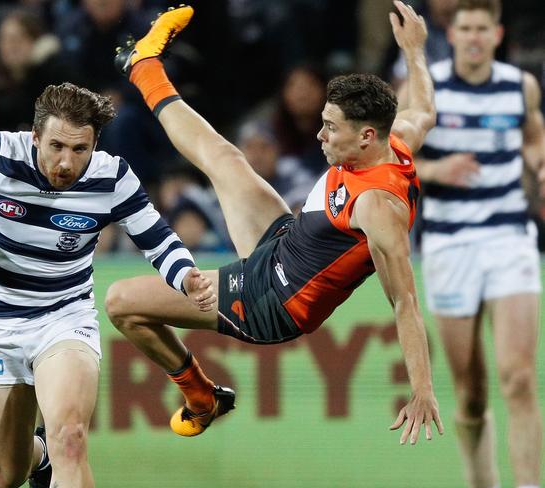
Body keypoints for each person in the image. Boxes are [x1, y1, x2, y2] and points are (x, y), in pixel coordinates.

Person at [106, 2, 443, 444]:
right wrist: (415, 50)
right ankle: (143, 66)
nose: (320, 135)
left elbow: (405, 303)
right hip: (285, 243)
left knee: (119, 302)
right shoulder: (393, 142)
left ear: (364, 137)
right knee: (224, 157)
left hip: (270, 300)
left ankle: (200, 396)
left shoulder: (378, 207)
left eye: (330, 127)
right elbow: (424, 110)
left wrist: (422, 391)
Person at [0, 82, 214, 487]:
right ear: (34, 136)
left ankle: (55, 452)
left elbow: (159, 242)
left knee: (71, 437)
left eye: (80, 150)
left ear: (95, 143)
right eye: (57, 146)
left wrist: (185, 275)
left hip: (64, 317)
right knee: (7, 473)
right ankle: (39, 458)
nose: (66, 163)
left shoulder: (112, 177)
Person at [398, 0, 545, 486]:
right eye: (467, 29)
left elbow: (534, 139)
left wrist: (541, 166)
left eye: (484, 28)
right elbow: (388, 161)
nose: (475, 37)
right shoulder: (426, 89)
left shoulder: (519, 87)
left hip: (509, 237)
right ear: (453, 33)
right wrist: (439, 170)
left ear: (497, 34)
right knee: (472, 394)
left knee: (520, 380)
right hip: (449, 243)